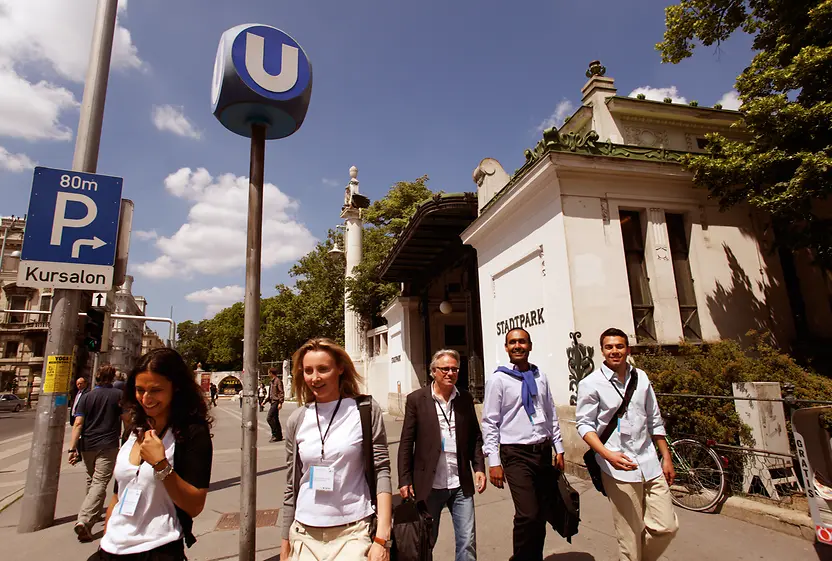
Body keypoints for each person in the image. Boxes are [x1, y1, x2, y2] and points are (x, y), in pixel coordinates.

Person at [94, 348, 214, 561]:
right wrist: (108, 534)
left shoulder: (192, 432)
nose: (146, 398)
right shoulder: (133, 428)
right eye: (140, 390)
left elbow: (195, 505)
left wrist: (161, 464)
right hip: (110, 548)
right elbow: (118, 494)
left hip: (158, 547)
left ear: (175, 388)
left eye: (156, 390)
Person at [280, 338, 392, 561]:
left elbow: (382, 470)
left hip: (352, 532)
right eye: (308, 371)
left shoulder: (365, 411)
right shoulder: (297, 419)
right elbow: (291, 484)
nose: (315, 378)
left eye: (323, 369)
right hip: (304, 533)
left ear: (340, 369)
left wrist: (382, 538)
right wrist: (285, 542)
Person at [576, 328, 678, 561]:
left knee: (667, 527)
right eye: (609, 347)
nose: (615, 351)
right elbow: (584, 425)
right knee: (629, 538)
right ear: (602, 351)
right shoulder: (591, 383)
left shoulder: (640, 377)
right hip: (617, 467)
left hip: (649, 462)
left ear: (627, 349)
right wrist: (607, 454)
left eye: (619, 346)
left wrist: (667, 457)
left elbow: (654, 418)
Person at [482, 328, 565, 561]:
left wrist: (558, 447)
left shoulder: (541, 377)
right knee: (527, 514)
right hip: (515, 453)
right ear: (506, 348)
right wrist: (494, 461)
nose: (517, 346)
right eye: (512, 342)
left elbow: (550, 413)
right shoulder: (499, 380)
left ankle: (533, 557)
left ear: (530, 345)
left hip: (542, 451)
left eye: (522, 342)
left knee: (540, 513)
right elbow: (490, 422)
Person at [398, 349, 486, 561]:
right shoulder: (417, 399)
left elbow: (475, 436)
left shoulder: (464, 398)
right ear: (433, 372)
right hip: (429, 484)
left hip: (460, 483)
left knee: (467, 541)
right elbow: (406, 443)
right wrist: (405, 479)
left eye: (454, 369)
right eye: (445, 369)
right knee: (426, 540)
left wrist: (479, 467)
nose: (450, 373)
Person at [68, 365, 122, 542]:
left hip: (87, 445)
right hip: (108, 445)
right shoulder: (117, 396)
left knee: (92, 479)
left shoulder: (87, 396)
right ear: (113, 378)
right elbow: (127, 419)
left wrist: (72, 448)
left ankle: (92, 513)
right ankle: (84, 520)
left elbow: (78, 424)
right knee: (99, 481)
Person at [267, 368, 285, 442]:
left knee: (269, 418)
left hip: (276, 402)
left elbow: (281, 392)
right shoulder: (271, 382)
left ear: (271, 373)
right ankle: (279, 436)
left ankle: (274, 434)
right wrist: (265, 401)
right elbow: (270, 394)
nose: (268, 374)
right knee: (275, 419)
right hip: (272, 402)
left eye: (268, 373)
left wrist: (280, 402)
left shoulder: (278, 381)